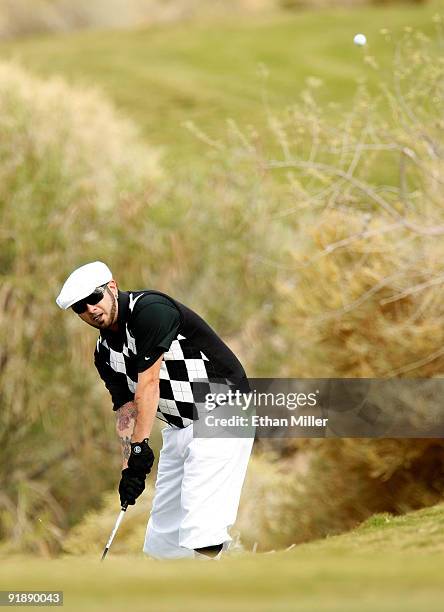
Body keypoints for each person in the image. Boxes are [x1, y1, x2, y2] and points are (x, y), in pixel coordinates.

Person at [56, 261, 254, 560]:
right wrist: (129, 470)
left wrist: (140, 446)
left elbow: (148, 384)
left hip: (223, 410)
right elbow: (125, 409)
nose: (90, 309)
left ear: (112, 287)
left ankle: (218, 590)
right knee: (163, 544)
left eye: (94, 298)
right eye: (80, 307)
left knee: (202, 529)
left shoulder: (150, 309)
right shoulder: (103, 353)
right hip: (179, 427)